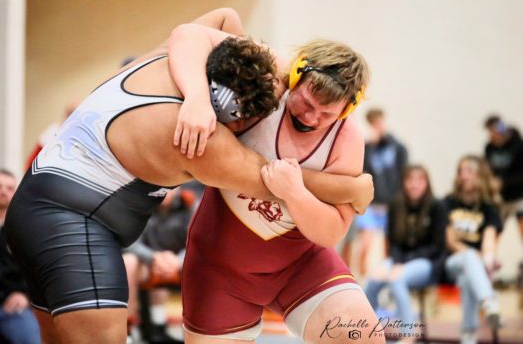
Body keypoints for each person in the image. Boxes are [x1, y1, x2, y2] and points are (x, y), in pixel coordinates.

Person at [5, 8, 373, 344]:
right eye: (250, 124)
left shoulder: (170, 60)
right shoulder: (198, 138)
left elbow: (220, 20)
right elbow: (273, 180)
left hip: (38, 203)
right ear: (233, 117)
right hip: (71, 219)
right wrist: (353, 188)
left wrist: (199, 92)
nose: (309, 117)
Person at [181, 38, 384, 344]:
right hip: (220, 267)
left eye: (327, 114)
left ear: (347, 109)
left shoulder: (347, 137)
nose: (311, 118)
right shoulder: (267, 81)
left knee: (363, 337)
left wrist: (296, 194)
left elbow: (331, 233)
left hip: (300, 265)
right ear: (296, 76)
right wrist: (196, 97)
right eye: (307, 103)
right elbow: (191, 35)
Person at [364, 165, 447, 343]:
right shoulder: (396, 204)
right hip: (399, 260)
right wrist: (395, 263)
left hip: (427, 262)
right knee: (374, 278)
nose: (414, 184)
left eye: (419, 180)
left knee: (397, 279)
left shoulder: (436, 206)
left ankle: (408, 334)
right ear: (404, 182)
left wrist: (402, 265)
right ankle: (366, 329)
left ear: (427, 183)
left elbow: (437, 247)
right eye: (410, 179)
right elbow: (393, 242)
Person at [444, 155, 503, 344]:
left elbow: (489, 238)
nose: (464, 176)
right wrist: (476, 257)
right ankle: (489, 301)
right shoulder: (449, 202)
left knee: (468, 277)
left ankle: (468, 334)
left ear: (480, 175)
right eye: (461, 171)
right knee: (469, 258)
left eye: (469, 171)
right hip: (450, 262)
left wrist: (488, 258)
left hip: (473, 269)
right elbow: (450, 241)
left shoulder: (489, 207)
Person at [124, 187, 194, 344]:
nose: (166, 190)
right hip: (150, 262)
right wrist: (154, 257)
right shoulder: (141, 205)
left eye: (171, 187)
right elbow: (131, 242)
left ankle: (194, 331)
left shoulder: (190, 205)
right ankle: (126, 331)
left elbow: (198, 240)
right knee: (128, 261)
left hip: (182, 263)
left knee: (204, 264)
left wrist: (178, 261)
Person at [0, 169, 40, 343]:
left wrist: (26, 296)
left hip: (14, 308)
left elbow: (36, 268)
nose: (3, 191)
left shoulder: (24, 228)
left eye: (9, 188)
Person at [350, 108, 408, 276]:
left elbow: (403, 170)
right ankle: (359, 277)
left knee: (389, 246)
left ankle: (386, 276)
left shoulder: (397, 147)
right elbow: (360, 170)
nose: (378, 127)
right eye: (374, 124)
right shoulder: (367, 148)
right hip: (372, 204)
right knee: (365, 245)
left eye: (380, 122)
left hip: (392, 205)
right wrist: (368, 145)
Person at [483, 115, 523, 236]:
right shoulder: (489, 148)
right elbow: (486, 169)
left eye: (493, 131)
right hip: (500, 198)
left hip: (519, 197)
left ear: (501, 129)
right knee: (494, 231)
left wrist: (503, 182)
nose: (491, 135)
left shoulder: (518, 146)